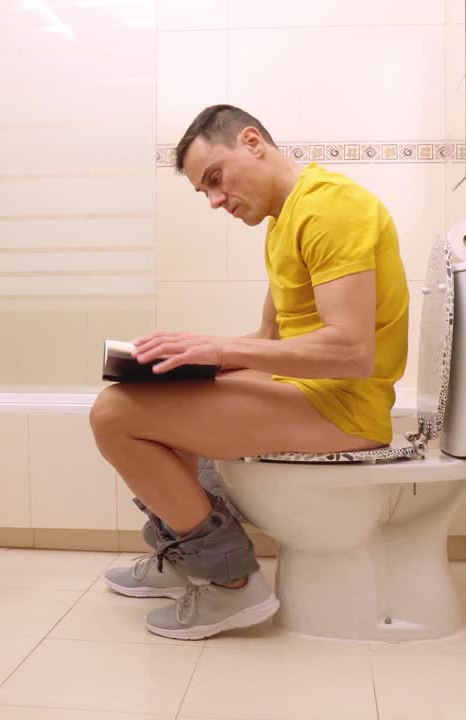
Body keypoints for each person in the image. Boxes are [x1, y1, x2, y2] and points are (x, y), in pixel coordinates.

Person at [89, 105, 409, 640]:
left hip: (345, 408)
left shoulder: (331, 208)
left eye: (216, 178)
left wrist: (216, 351)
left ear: (253, 141)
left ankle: (231, 587)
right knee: (164, 391)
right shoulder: (287, 221)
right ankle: (184, 556)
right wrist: (190, 357)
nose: (215, 200)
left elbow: (353, 351)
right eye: (204, 192)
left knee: (113, 417)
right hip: (313, 392)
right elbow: (269, 341)